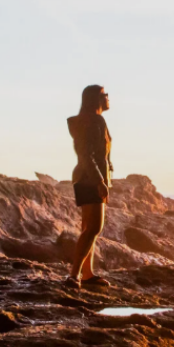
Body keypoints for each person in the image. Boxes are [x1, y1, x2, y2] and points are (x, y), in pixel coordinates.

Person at [65, 84, 112, 288]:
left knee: (87, 228)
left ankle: (87, 274)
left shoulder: (85, 121)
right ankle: (74, 275)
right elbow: (87, 155)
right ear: (96, 99)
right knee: (94, 228)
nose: (108, 97)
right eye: (105, 94)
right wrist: (100, 181)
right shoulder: (95, 121)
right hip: (91, 178)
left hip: (84, 177)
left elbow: (95, 155)